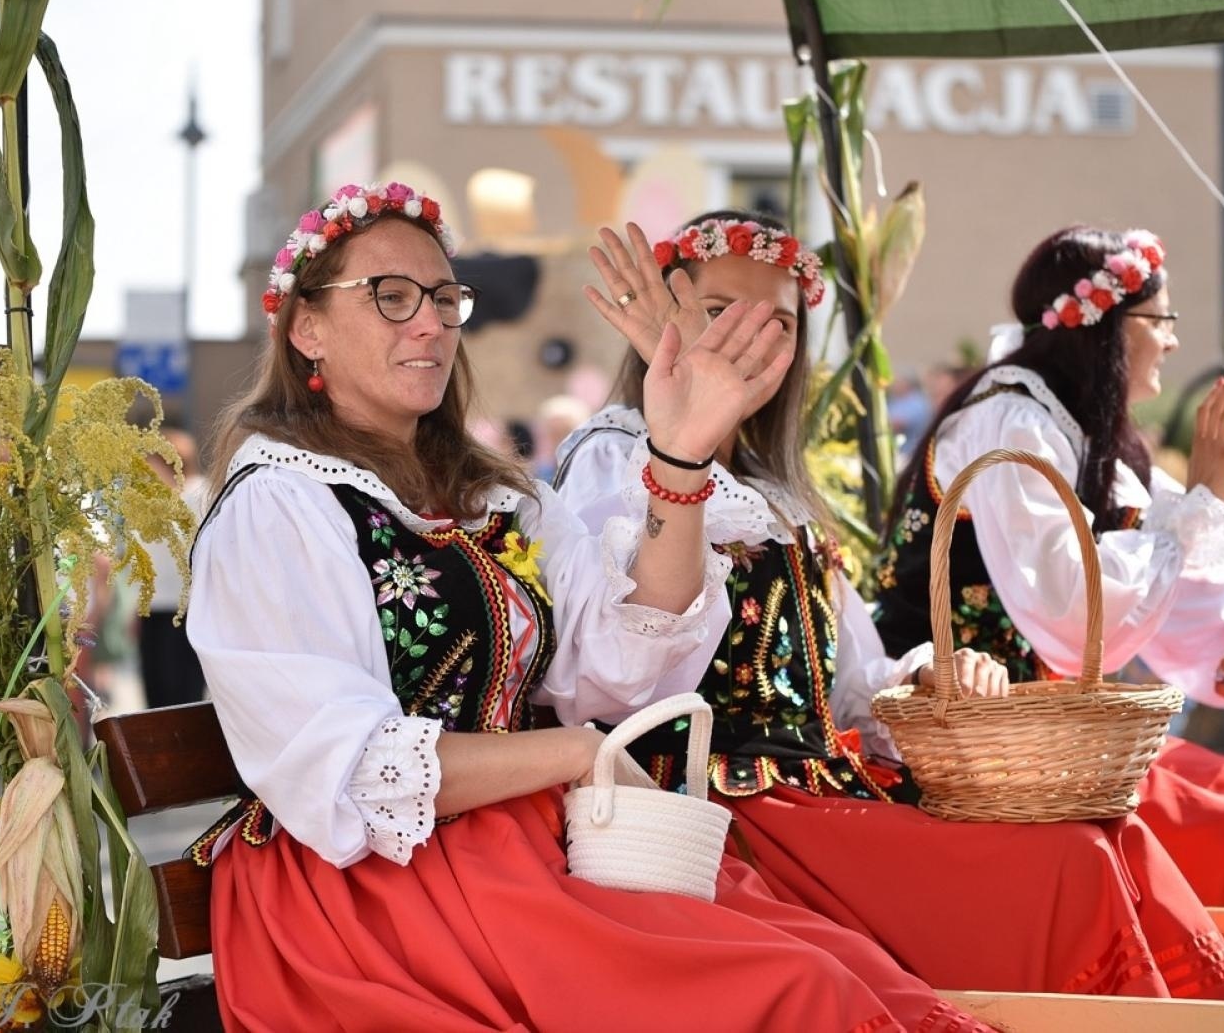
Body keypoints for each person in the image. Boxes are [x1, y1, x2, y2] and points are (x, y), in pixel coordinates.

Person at [186, 182, 980, 1033]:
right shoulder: (280, 505)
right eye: (391, 297)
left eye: (446, 298)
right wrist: (570, 752)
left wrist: (678, 458)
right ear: (307, 326)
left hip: (513, 838)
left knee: (854, 970)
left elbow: (621, 663)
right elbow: (347, 772)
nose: (431, 324)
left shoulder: (495, 496)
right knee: (790, 988)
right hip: (369, 884)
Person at [557, 211, 1224, 1002]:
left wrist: (932, 674)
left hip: (820, 792)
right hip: (722, 812)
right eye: (720, 313)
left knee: (1098, 844)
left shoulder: (776, 490)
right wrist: (685, 442)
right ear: (662, 316)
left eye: (780, 323)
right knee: (1067, 867)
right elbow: (618, 683)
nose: (749, 341)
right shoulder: (617, 457)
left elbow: (854, 683)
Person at [872, 225, 1224, 1002]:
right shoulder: (1009, 423)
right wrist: (1208, 502)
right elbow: (1072, 609)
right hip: (974, 752)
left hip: (1064, 748)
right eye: (1161, 321)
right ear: (1106, 329)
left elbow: (1179, 584)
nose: (1171, 342)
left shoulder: (1083, 438)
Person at [138, 428, 206, 709]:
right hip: (152, 607)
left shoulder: (199, 494)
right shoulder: (147, 500)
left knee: (182, 694)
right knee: (155, 693)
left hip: (188, 608)